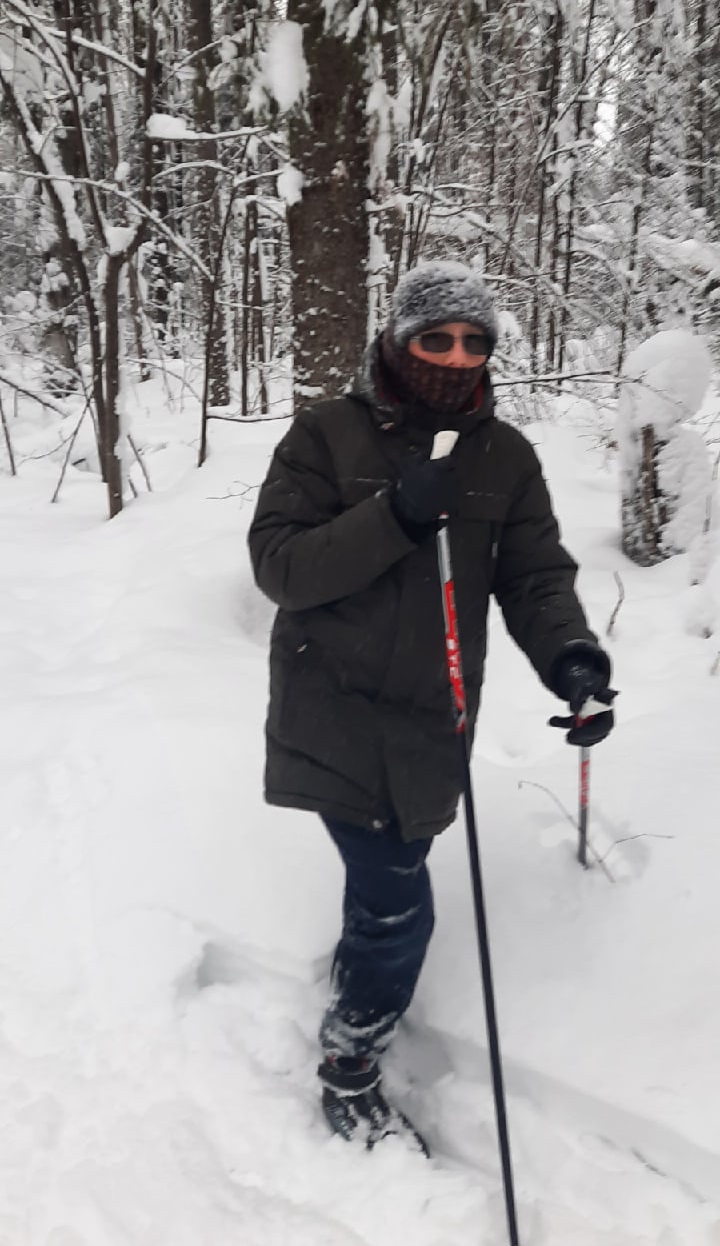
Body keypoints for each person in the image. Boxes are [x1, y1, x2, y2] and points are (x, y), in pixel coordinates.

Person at [248, 260, 615, 1151]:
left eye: (473, 342)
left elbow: (534, 578)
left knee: (395, 869)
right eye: (436, 338)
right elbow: (282, 569)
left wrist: (570, 658)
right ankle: (350, 1063)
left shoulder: (505, 456)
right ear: (398, 337)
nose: (455, 357)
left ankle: (356, 976)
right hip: (333, 710)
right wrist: (395, 518)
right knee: (399, 906)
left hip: (432, 717)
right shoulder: (327, 435)